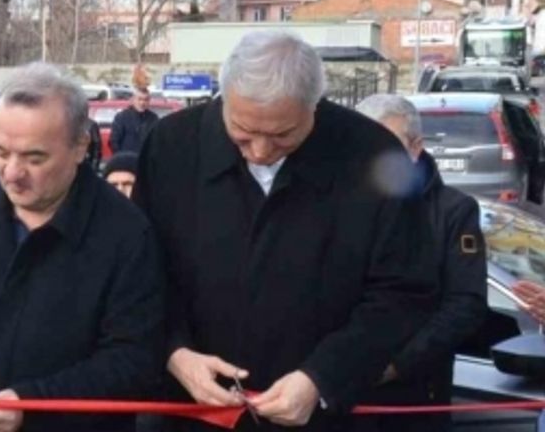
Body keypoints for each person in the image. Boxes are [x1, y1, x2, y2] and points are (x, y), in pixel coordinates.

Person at [133, 31, 435, 430]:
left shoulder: (373, 156)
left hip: (321, 417)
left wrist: (322, 377)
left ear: (315, 106)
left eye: (282, 135)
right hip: (188, 411)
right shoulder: (171, 146)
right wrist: (174, 353)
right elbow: (137, 274)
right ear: (224, 99)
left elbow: (403, 292)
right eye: (242, 130)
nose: (260, 150)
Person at [0, 63, 164, 432]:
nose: (11, 172)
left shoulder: (126, 232)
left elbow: (133, 360)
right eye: (2, 152)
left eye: (34, 157)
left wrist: (32, 402)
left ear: (80, 147)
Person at [355, 94, 486, 431]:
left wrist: (397, 365)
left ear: (415, 147)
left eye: (386, 144)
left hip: (414, 396)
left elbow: (464, 305)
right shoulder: (337, 205)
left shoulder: (453, 212)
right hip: (342, 391)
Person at [109, 86, 158, 155]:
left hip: (145, 160)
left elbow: (157, 141)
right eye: (139, 99)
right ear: (133, 100)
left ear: (149, 101)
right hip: (126, 160)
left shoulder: (153, 118)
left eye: (146, 100)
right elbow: (114, 141)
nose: (142, 103)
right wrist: (120, 157)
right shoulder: (122, 117)